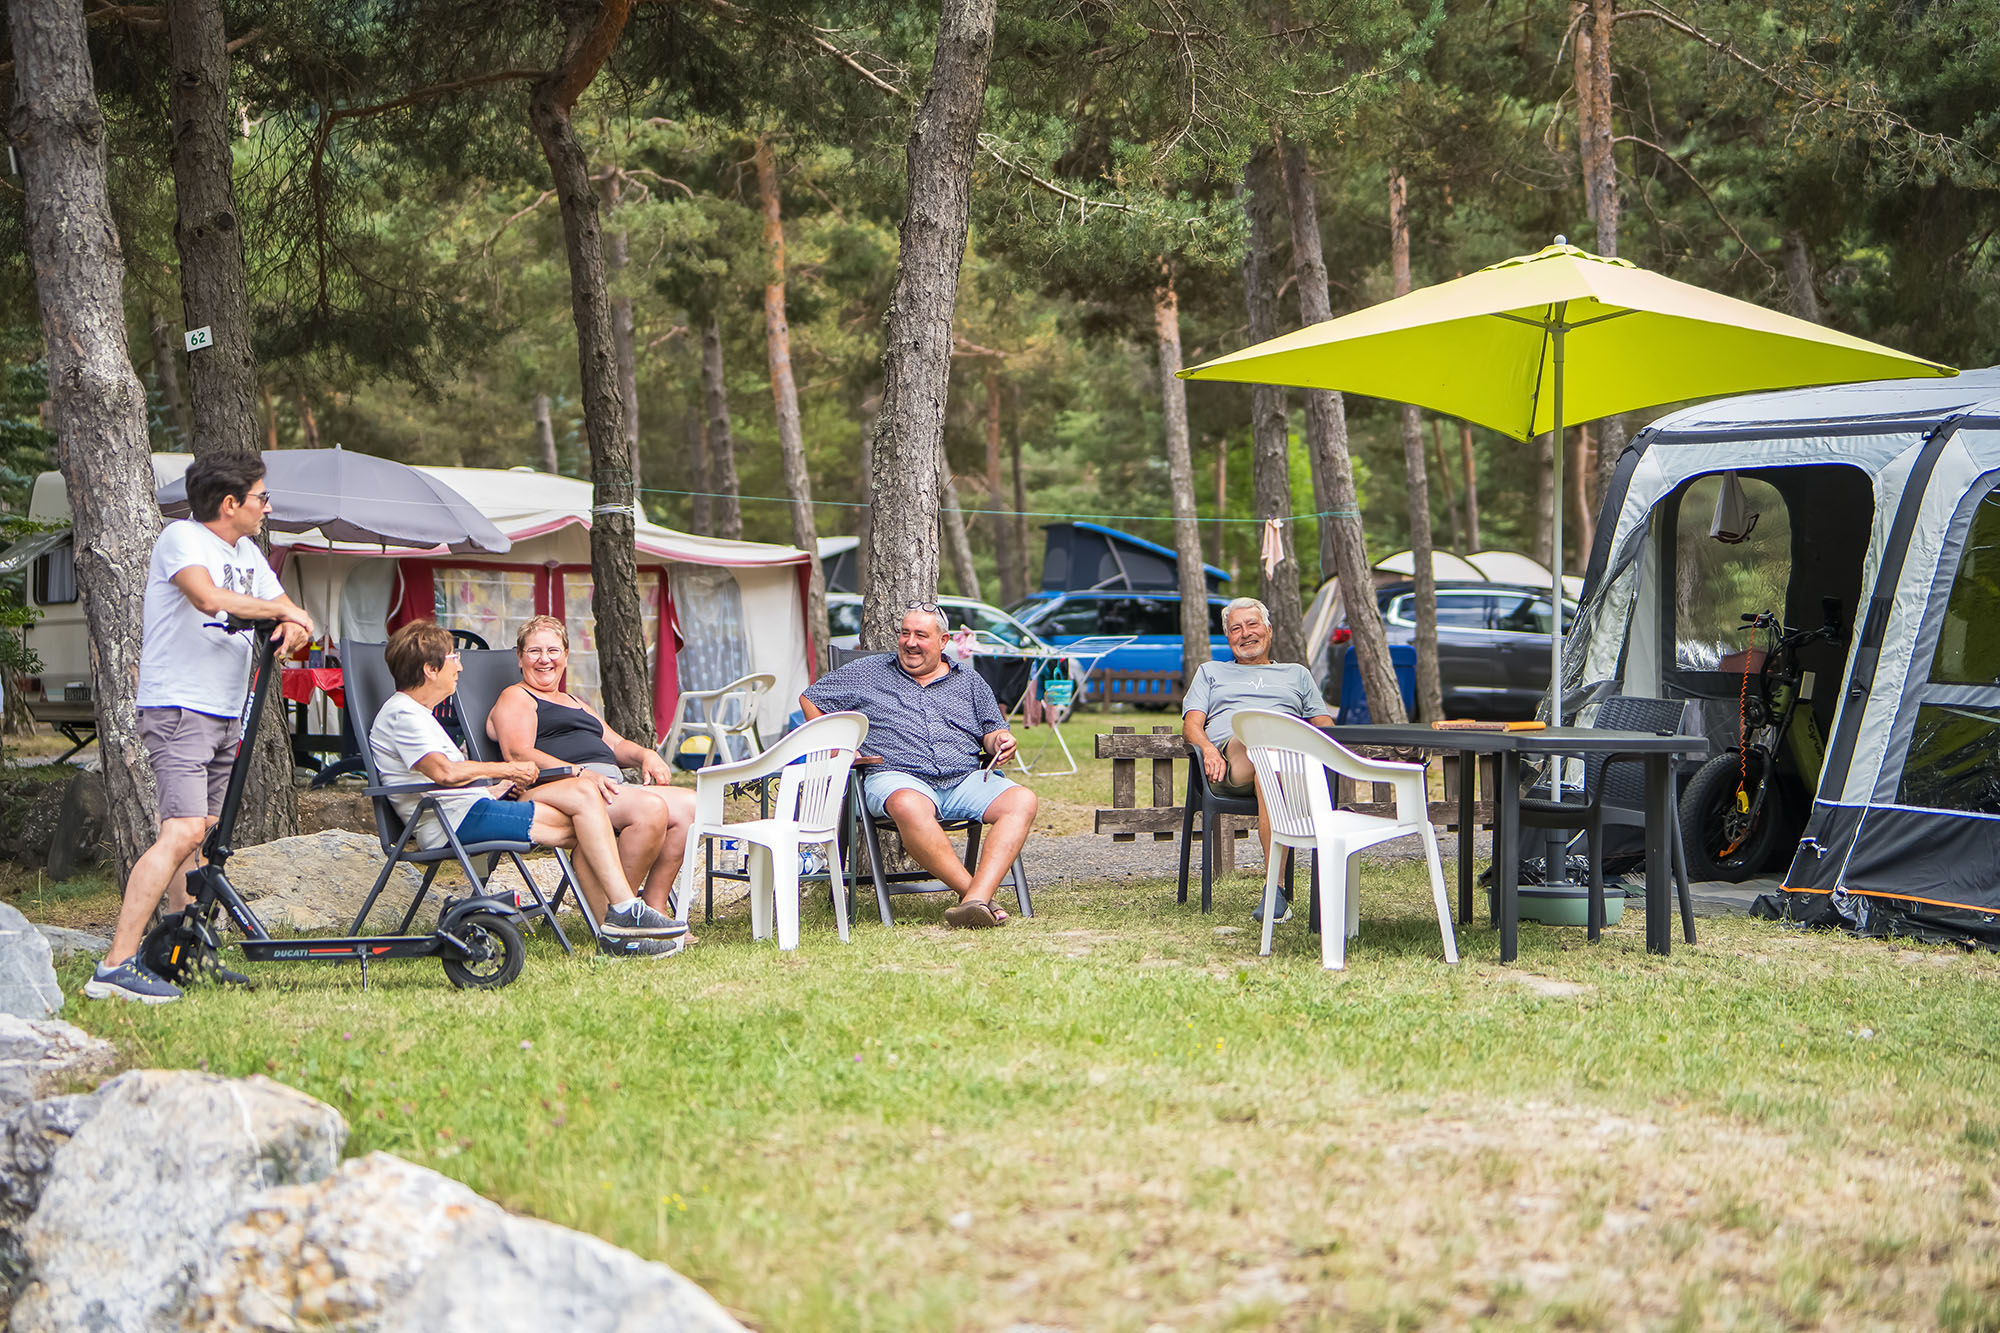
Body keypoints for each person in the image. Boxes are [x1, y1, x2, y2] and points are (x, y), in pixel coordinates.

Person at [87, 453, 316, 1004]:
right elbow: (208, 598)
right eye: (261, 498)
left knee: (199, 833)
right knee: (182, 831)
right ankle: (114, 967)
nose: (267, 507)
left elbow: (298, 617)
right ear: (230, 503)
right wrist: (279, 614)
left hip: (223, 710)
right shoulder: (182, 540)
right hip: (180, 707)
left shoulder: (248, 553)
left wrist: (293, 623)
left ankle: (175, 957)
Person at [367, 620, 684, 956]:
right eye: (452, 657)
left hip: (472, 808)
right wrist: (508, 769)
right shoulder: (403, 715)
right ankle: (622, 914)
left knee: (586, 804)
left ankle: (620, 919)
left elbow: (443, 779)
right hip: (453, 822)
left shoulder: (419, 714)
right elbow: (444, 773)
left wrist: (495, 786)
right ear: (431, 669)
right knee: (585, 807)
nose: (460, 664)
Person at [799, 603, 1036, 929]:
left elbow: (993, 729)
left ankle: (975, 901)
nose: (910, 642)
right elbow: (811, 698)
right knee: (908, 805)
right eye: (905, 633)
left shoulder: (969, 679)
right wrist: (838, 744)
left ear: (943, 641)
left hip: (964, 778)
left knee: (1022, 800)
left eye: (921, 635)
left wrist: (1001, 742)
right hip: (897, 777)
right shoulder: (869, 671)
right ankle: (976, 898)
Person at [486, 616, 696, 920]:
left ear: (566, 655)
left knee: (690, 805)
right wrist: (579, 772)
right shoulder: (517, 696)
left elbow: (616, 744)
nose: (545, 659)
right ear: (520, 658)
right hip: (557, 788)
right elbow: (518, 752)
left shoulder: (574, 701)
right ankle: (617, 913)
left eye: (553, 651)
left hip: (606, 787)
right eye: (534, 652)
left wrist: (645, 754)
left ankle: (653, 904)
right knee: (649, 808)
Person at [1181, 596, 1334, 923]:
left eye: (1252, 624)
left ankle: (1274, 894)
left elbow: (1325, 726)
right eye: (1235, 628)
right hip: (1233, 763)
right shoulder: (1211, 672)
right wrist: (1208, 749)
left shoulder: (1297, 674)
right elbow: (1191, 725)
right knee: (1256, 742)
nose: (1245, 633)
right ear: (1228, 638)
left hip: (1287, 768)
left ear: (1269, 630)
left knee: (1271, 762)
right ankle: (1276, 890)